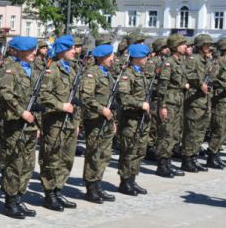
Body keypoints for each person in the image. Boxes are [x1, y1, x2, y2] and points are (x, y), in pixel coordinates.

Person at [0, 36, 40, 219]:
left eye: (34, 49)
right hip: (14, 124)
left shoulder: (34, 70)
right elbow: (5, 94)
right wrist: (22, 112)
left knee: (28, 164)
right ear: (19, 51)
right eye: (30, 50)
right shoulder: (9, 69)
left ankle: (19, 197)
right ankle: (10, 202)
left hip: (30, 125)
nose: (34, 53)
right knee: (14, 163)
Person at [38, 35, 79, 212]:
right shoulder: (52, 70)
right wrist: (61, 105)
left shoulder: (71, 70)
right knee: (52, 157)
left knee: (67, 158)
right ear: (62, 50)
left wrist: (77, 122)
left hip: (70, 122)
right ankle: (50, 193)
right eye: (70, 49)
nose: (74, 51)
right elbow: (43, 95)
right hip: (55, 122)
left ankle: (59, 189)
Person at [79, 43, 117, 203]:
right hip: (95, 120)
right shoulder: (91, 74)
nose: (113, 59)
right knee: (94, 154)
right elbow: (86, 97)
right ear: (101, 58)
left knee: (104, 155)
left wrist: (112, 120)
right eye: (110, 56)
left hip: (106, 121)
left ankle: (98, 184)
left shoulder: (107, 74)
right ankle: (91, 188)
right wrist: (101, 110)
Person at [117, 44, 153, 195]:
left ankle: (132, 179)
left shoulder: (141, 73)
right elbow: (123, 98)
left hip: (142, 119)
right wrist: (141, 104)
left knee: (140, 150)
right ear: (137, 58)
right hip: (131, 119)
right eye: (144, 56)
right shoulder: (127, 75)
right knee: (129, 151)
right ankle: (125, 182)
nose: (146, 59)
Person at [154, 34, 189, 178]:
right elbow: (162, 87)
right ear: (175, 46)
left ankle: (168, 163)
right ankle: (162, 165)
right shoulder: (168, 63)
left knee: (174, 134)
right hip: (169, 103)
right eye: (182, 44)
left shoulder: (180, 62)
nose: (185, 47)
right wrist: (162, 106)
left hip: (178, 102)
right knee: (166, 133)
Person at [181, 34, 214, 172]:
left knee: (200, 132)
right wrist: (200, 84)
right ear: (200, 45)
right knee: (192, 131)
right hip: (194, 101)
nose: (209, 47)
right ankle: (187, 160)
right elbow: (187, 74)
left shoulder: (207, 60)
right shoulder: (193, 59)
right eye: (206, 45)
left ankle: (194, 158)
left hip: (204, 101)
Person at [205, 37, 226, 169]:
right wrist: (224, 86)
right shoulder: (219, 62)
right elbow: (212, 78)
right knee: (219, 128)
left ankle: (216, 153)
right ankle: (212, 156)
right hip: (220, 99)